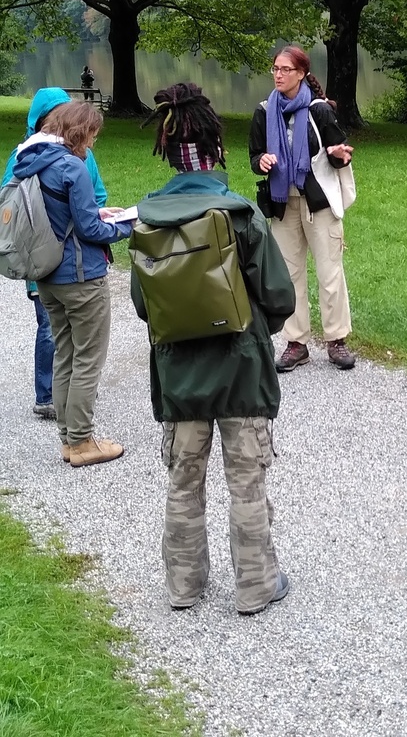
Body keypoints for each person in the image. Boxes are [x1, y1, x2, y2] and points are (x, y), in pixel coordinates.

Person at [131, 82, 295, 614]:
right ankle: (255, 586)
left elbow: (143, 304)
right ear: (216, 148)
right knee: (247, 483)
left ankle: (183, 586)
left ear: (168, 151)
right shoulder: (240, 214)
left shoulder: (147, 220)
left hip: (179, 376)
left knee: (183, 481)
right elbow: (279, 297)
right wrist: (252, 330)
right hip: (241, 370)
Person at [12, 101, 133, 467]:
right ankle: (82, 442)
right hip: (80, 277)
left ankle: (68, 439)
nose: (93, 142)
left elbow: (62, 213)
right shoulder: (72, 166)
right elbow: (90, 230)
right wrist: (127, 225)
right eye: (92, 134)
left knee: (65, 354)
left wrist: (97, 212)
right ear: (79, 131)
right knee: (88, 359)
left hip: (47, 275)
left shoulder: (32, 159)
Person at [1, 88, 110, 421]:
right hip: (50, 261)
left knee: (66, 342)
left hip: (59, 259)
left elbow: (97, 195)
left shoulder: (79, 155)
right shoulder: (24, 156)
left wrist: (88, 212)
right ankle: (50, 397)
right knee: (56, 333)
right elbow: (12, 208)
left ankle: (68, 405)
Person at [249, 46, 356, 372]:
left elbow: (339, 152)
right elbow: (255, 156)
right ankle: (296, 343)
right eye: (275, 69)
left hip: (318, 204)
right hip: (283, 204)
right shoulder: (264, 111)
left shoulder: (319, 110)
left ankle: (336, 340)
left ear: (301, 74)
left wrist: (339, 154)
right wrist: (261, 161)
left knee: (329, 273)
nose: (278, 75)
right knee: (289, 275)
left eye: (285, 69)